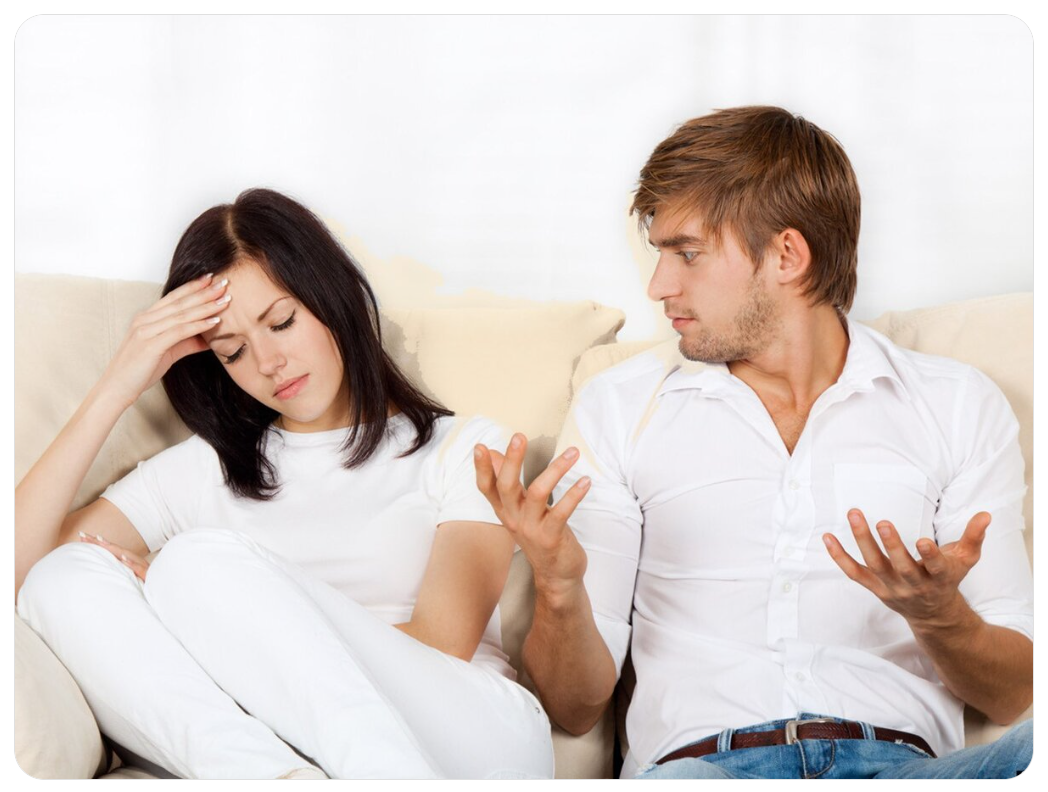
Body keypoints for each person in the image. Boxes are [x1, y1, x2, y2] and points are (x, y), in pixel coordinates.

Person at [475, 106, 1033, 779]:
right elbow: (573, 708)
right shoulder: (619, 408)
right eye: (660, 255)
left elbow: (1013, 694)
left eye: (687, 254)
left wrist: (940, 616)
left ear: (787, 256)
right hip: (703, 771)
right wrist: (559, 586)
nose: (658, 287)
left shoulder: (956, 404)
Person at [15, 188, 554, 780]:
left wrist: (220, 609)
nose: (268, 362)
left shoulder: (464, 449)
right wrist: (117, 386)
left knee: (194, 565)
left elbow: (441, 641)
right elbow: (20, 573)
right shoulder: (201, 471)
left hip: (472, 732)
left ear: (332, 295)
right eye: (233, 352)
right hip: (296, 746)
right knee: (59, 579)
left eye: (282, 322)